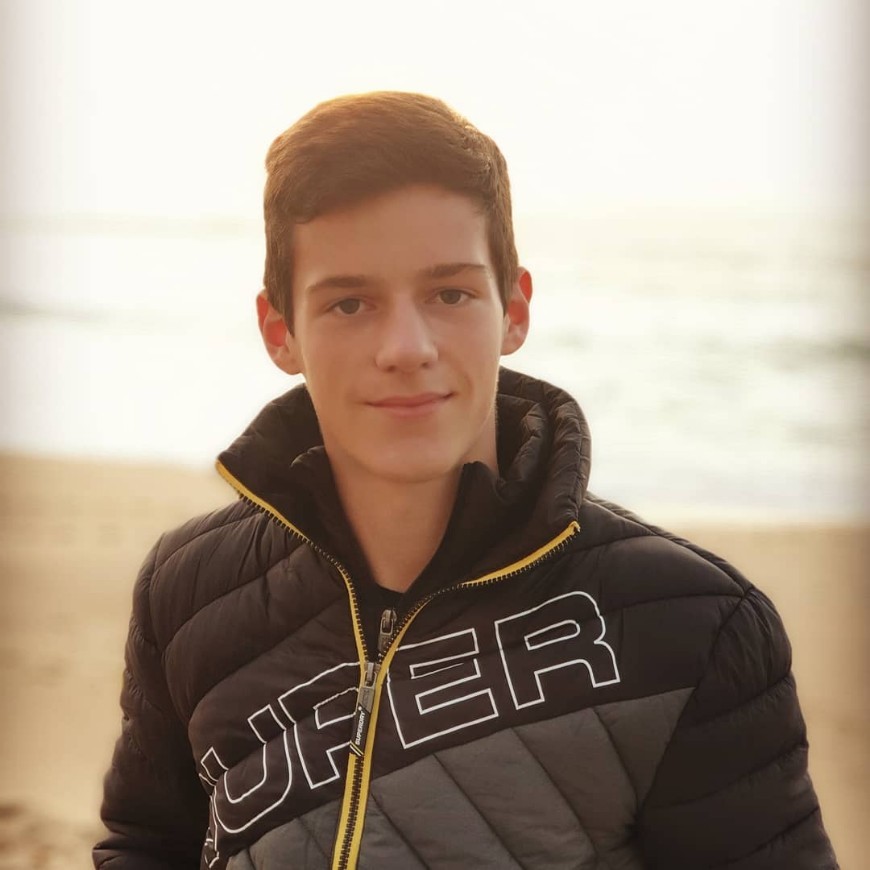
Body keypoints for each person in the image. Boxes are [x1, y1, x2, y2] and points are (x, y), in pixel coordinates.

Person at [94, 92, 837, 870]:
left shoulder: (693, 626)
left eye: (449, 294)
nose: (406, 347)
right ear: (281, 332)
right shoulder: (185, 591)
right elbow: (145, 843)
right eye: (349, 303)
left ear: (513, 309)